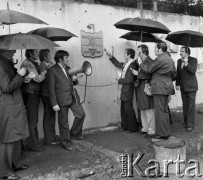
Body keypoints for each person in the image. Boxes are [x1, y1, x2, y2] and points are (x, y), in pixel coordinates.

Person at [47, 50, 85, 151]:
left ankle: (74, 133)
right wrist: (54, 103)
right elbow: (51, 89)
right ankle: (66, 142)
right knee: (63, 123)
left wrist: (75, 80)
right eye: (66, 58)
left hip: (72, 97)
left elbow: (73, 83)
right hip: (61, 99)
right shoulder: (52, 70)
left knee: (81, 114)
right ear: (60, 59)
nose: (68, 59)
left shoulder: (68, 68)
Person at [0, 49, 29, 180]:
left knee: (16, 135)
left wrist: (23, 78)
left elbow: (14, 82)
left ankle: (16, 163)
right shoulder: (0, 64)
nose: (15, 50)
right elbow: (6, 87)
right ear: (5, 50)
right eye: (12, 49)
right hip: (7, 105)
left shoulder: (7, 62)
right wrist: (20, 75)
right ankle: (5, 171)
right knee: (8, 136)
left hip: (14, 103)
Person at [138, 42, 176, 140]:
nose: (154, 50)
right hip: (167, 87)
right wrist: (166, 79)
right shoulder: (170, 59)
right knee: (165, 111)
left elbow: (148, 69)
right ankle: (166, 132)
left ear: (159, 49)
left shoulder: (160, 59)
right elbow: (174, 75)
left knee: (159, 112)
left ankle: (161, 134)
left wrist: (140, 63)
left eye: (155, 48)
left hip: (159, 88)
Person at [106, 48, 138, 132]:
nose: (123, 54)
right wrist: (111, 57)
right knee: (123, 110)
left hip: (127, 90)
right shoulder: (126, 63)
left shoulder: (132, 65)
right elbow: (118, 64)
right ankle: (125, 126)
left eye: (125, 53)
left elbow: (129, 80)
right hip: (124, 90)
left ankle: (132, 127)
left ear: (129, 55)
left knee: (128, 109)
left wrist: (119, 79)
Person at [21, 49, 46, 151]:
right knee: (32, 120)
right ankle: (33, 144)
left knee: (33, 119)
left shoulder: (32, 63)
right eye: (36, 52)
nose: (37, 54)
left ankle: (34, 142)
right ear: (30, 54)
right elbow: (37, 79)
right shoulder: (28, 63)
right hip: (31, 94)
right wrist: (44, 72)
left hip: (33, 93)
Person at [133, 45, 155, 138]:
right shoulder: (139, 61)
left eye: (139, 52)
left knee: (149, 108)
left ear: (145, 52)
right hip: (141, 86)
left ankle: (151, 130)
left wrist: (138, 74)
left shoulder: (150, 61)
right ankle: (145, 128)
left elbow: (149, 74)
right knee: (142, 108)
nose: (137, 53)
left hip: (147, 86)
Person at [39, 49, 60, 145]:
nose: (51, 56)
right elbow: (46, 77)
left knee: (51, 115)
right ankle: (49, 139)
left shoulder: (48, 63)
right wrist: (50, 67)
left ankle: (51, 136)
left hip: (49, 93)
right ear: (44, 57)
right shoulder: (43, 64)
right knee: (48, 116)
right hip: (46, 93)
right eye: (49, 55)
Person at [176, 46, 198, 132]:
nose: (180, 53)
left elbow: (193, 71)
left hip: (192, 87)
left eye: (182, 51)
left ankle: (190, 124)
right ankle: (186, 122)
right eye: (180, 51)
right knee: (185, 105)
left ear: (187, 52)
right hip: (183, 87)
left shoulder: (193, 60)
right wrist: (177, 84)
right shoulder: (178, 61)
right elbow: (178, 73)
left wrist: (186, 63)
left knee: (191, 106)